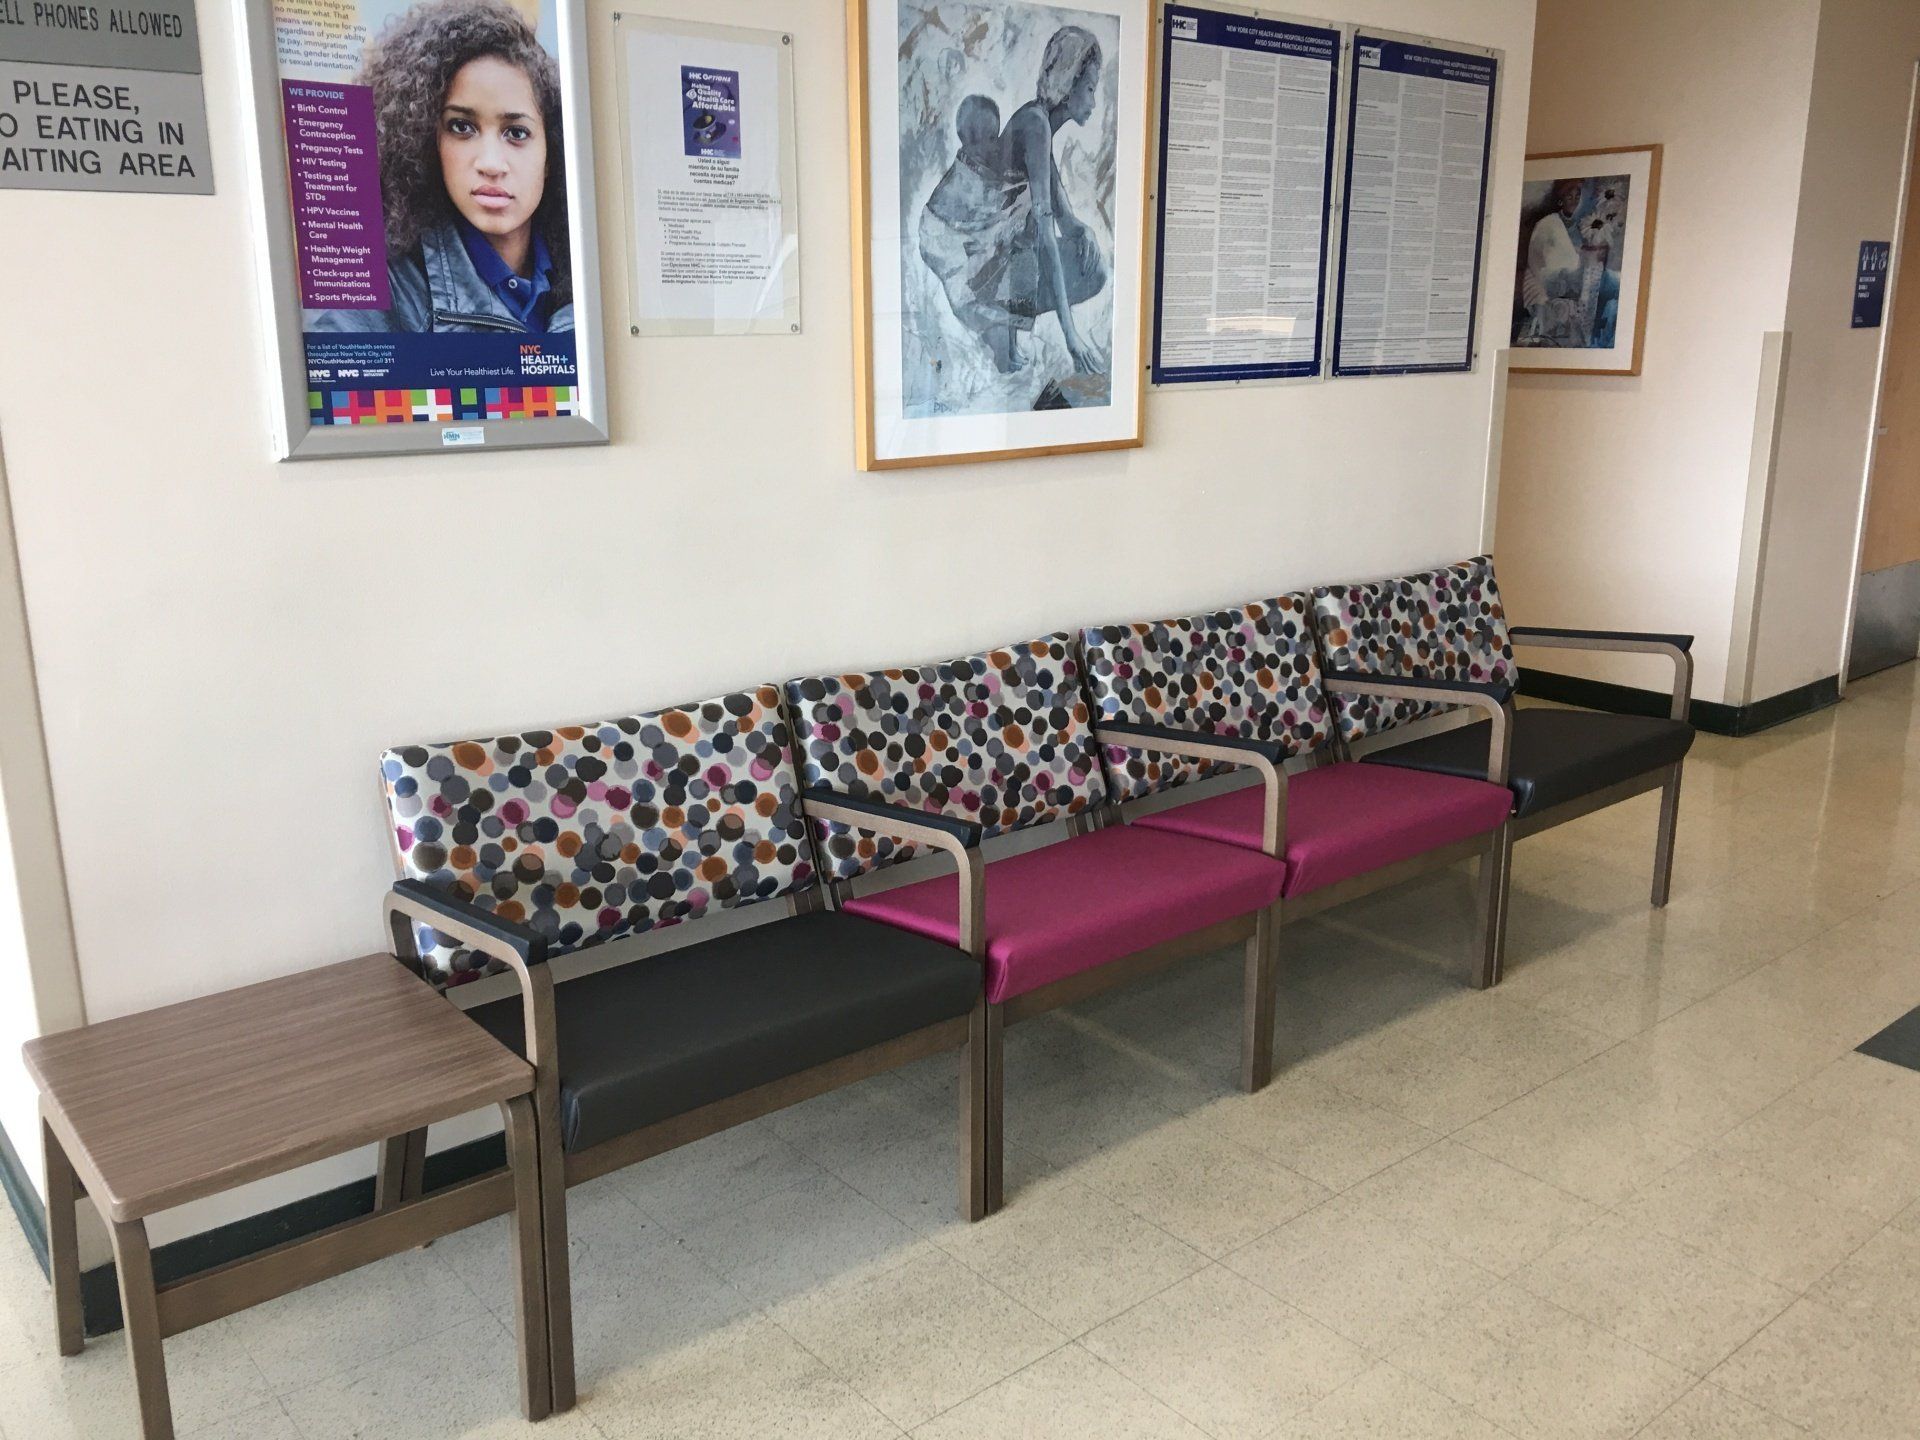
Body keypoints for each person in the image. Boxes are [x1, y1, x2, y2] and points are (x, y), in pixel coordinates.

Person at [307, 0, 572, 335]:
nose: (491, 164)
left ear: (551, 154)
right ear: (426, 141)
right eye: (462, 127)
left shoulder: (592, 274)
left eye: (516, 133)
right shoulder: (373, 291)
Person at [916, 25, 1110, 377]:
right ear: (1069, 84)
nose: (1093, 102)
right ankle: (998, 331)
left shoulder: (1042, 127)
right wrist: (1072, 337)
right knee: (1037, 244)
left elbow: (1065, 221)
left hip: (996, 245)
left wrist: (1086, 232)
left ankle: (1002, 330)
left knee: (1092, 267)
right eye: (1089, 89)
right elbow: (1046, 237)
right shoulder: (1036, 126)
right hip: (961, 237)